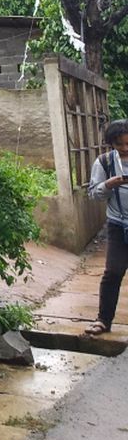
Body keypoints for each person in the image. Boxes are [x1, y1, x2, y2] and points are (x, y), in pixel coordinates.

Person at [85, 119, 128, 336]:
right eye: (120, 144)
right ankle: (103, 320)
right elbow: (93, 194)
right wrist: (109, 184)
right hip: (118, 225)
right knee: (113, 272)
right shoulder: (104, 162)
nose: (126, 149)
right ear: (111, 143)